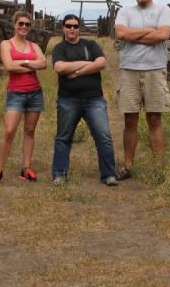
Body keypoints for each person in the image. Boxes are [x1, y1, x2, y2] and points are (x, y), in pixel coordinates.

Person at [113, 0, 170, 180]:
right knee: (130, 119)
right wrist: (149, 31)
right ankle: (128, 166)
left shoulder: (163, 10)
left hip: (154, 70)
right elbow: (121, 33)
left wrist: (135, 35)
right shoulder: (125, 11)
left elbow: (163, 35)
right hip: (129, 70)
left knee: (154, 118)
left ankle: (159, 168)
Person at [51, 14, 119, 186]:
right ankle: (59, 174)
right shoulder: (59, 48)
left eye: (75, 26)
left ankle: (109, 174)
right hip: (68, 100)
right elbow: (59, 67)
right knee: (63, 137)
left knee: (103, 136)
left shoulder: (91, 44)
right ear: (63, 28)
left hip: (94, 99)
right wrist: (87, 63)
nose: (72, 29)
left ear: (79, 28)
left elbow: (102, 63)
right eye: (68, 26)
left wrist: (77, 71)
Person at [0, 11, 47, 184]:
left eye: (27, 24)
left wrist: (23, 63)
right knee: (9, 131)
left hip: (35, 92)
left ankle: (26, 168)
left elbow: (43, 63)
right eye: (20, 23)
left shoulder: (34, 46)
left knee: (29, 131)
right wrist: (31, 65)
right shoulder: (6, 44)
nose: (23, 27)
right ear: (14, 25)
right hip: (15, 93)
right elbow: (9, 66)